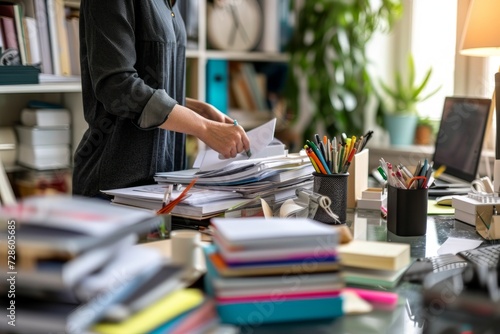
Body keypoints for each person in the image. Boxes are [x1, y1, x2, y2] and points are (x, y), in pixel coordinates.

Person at [73, 0, 250, 198]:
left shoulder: (172, 5)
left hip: (163, 187)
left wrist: (199, 110)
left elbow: (154, 86)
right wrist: (204, 127)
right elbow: (119, 87)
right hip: (113, 186)